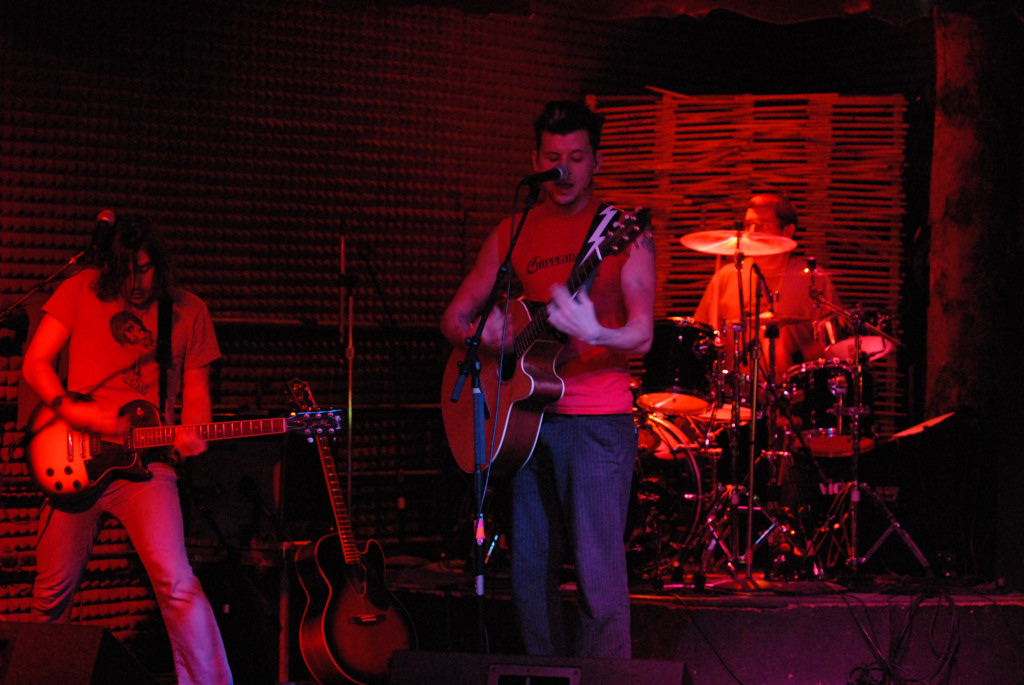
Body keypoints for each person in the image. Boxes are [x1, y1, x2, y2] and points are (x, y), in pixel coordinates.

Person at [441, 100, 656, 658]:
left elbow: (642, 335)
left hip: (595, 423)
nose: (565, 170)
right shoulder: (513, 230)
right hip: (522, 423)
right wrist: (484, 336)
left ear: (596, 161)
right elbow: (454, 318)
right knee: (530, 575)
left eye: (577, 158)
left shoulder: (621, 232)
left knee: (597, 576)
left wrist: (595, 331)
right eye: (554, 157)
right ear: (535, 160)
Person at [21, 213, 233, 685]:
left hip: (147, 467)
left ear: (161, 263)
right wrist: (74, 412)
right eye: (125, 272)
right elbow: (35, 364)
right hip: (74, 459)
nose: (136, 283)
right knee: (51, 595)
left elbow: (197, 393)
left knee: (178, 583)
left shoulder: (189, 311)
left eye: (145, 269)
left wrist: (194, 431)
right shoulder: (79, 289)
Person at [694, 192, 840, 385]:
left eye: (762, 226)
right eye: (748, 225)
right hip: (733, 394)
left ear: (787, 231)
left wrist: (801, 355)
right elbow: (698, 338)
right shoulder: (726, 277)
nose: (751, 233)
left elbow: (834, 345)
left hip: (795, 393)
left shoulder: (812, 279)